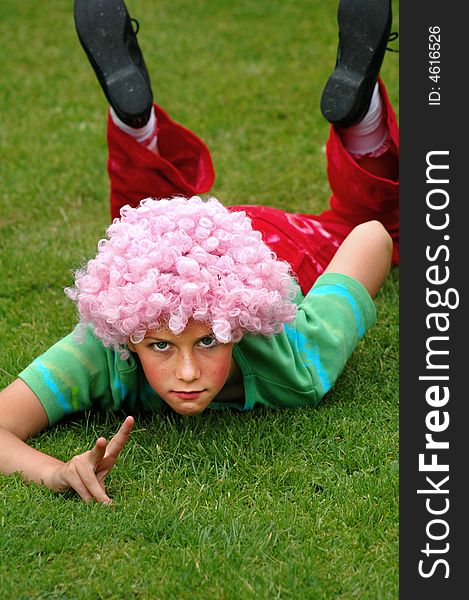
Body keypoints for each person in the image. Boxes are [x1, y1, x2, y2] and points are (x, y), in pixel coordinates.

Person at [0, 0, 398, 504]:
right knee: (139, 220)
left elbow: (372, 236)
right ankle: (360, 122)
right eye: (161, 346)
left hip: (277, 244)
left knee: (389, 228)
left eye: (208, 341)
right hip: (165, 247)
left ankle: (139, 129)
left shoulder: (296, 363)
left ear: (243, 326)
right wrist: (56, 472)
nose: (187, 373)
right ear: (127, 336)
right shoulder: (104, 347)